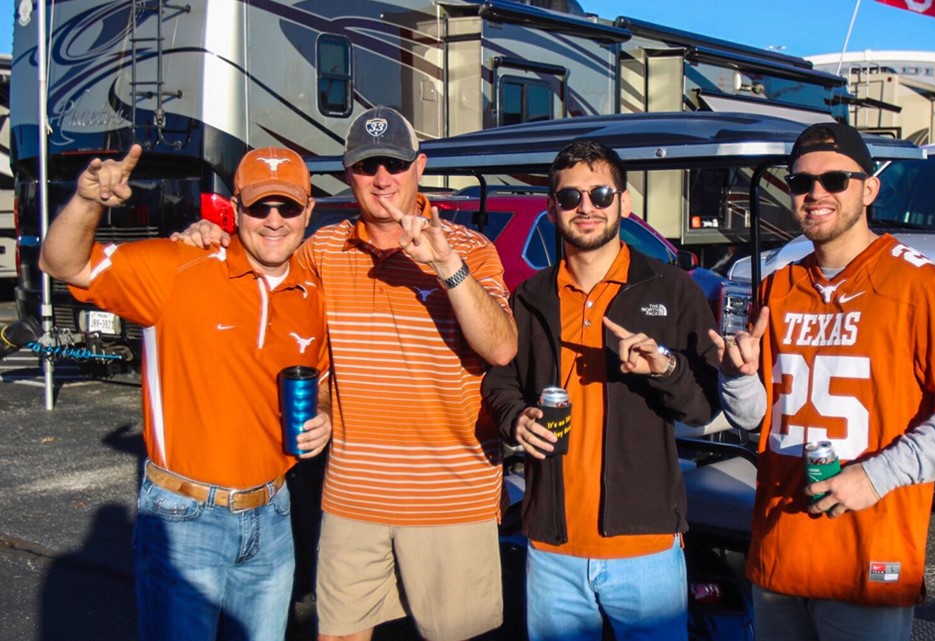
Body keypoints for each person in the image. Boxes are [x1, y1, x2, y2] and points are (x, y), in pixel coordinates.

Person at [179, 105, 518, 641]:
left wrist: (446, 267)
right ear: (347, 174)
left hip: (451, 497)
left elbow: (501, 348)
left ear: (420, 166)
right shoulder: (321, 250)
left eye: (395, 163)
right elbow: (285, 321)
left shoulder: (469, 248)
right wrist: (212, 239)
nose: (382, 179)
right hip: (351, 497)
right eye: (366, 166)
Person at [712, 122, 935, 641]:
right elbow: (757, 420)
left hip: (868, 554)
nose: (816, 194)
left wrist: (875, 476)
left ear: (869, 188)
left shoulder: (921, 285)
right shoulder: (778, 285)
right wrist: (737, 378)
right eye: (802, 183)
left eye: (835, 181)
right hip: (781, 548)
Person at [39, 145, 332, 641]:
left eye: (288, 205)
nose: (274, 220)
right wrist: (89, 203)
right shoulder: (178, 266)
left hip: (274, 515)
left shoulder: (312, 291)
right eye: (260, 206)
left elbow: (320, 381)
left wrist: (323, 414)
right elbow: (62, 264)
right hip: (185, 518)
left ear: (309, 211)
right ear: (236, 209)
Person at [483, 140, 721, 640]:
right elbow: (501, 380)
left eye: (600, 193)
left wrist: (664, 367)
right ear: (552, 208)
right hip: (552, 548)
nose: (585, 207)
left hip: (646, 547)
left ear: (624, 203)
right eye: (570, 198)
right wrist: (515, 418)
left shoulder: (673, 289)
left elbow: (702, 406)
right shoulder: (531, 297)